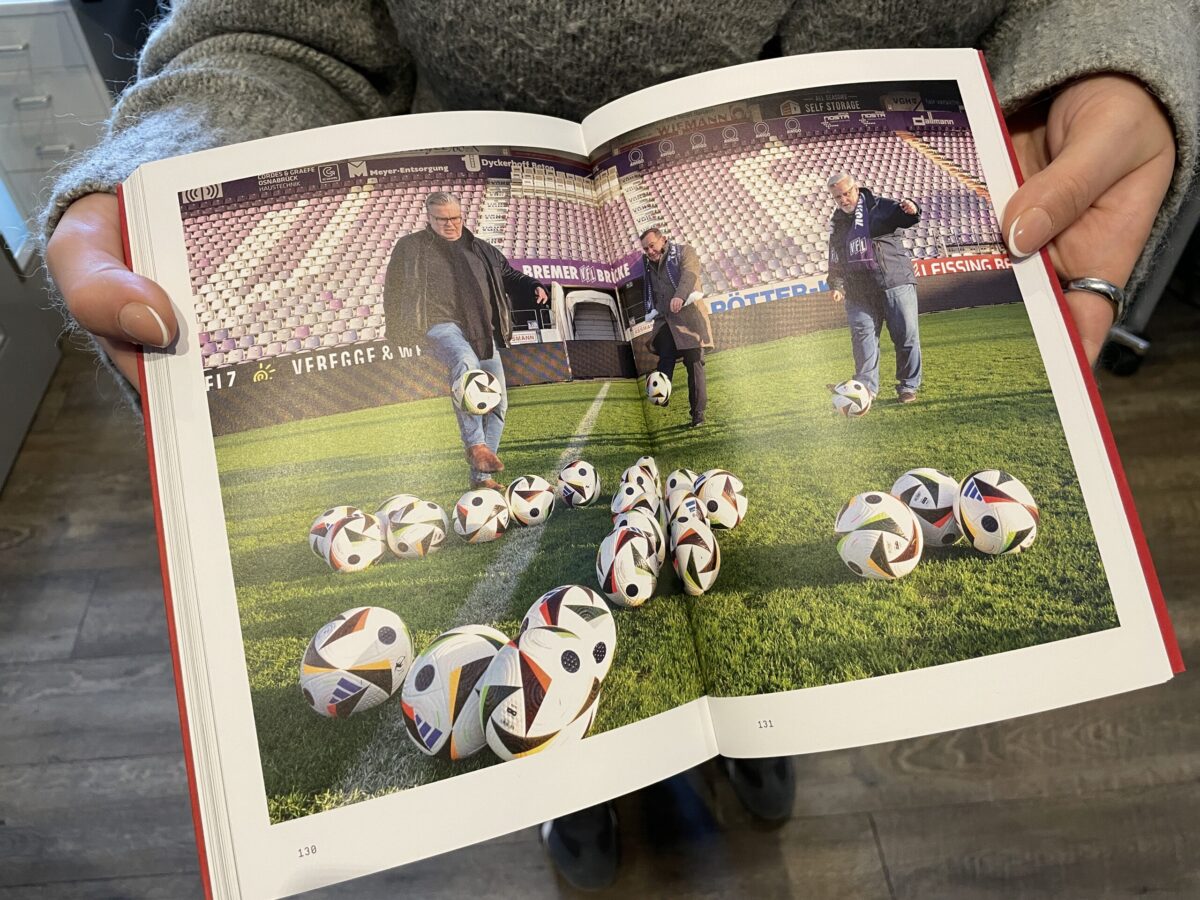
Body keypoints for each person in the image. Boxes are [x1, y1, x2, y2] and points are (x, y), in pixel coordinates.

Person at [36, 0, 1195, 893]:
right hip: (521, 226)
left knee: (712, 527)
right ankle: (570, 769)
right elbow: (270, 31)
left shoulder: (644, 257)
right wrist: (170, 183)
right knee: (533, 461)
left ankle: (751, 727)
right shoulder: (457, 248)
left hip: (795, 272)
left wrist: (1116, 47)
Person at [382, 191, 547, 490]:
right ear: (429, 218)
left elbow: (508, 275)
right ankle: (475, 445)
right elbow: (393, 288)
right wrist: (396, 330)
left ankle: (481, 479)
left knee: (498, 404)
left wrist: (533, 284)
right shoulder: (411, 247)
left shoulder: (481, 248)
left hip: (481, 330)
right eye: (442, 219)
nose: (450, 224)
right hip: (440, 325)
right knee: (465, 362)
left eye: (455, 217)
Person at [826, 174, 923, 403]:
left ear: (856, 188)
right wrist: (836, 284)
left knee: (906, 337)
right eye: (838, 197)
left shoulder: (880, 207)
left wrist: (912, 208)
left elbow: (906, 216)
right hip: (859, 292)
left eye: (846, 193)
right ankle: (865, 390)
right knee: (863, 341)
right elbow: (836, 257)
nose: (843, 199)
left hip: (894, 282)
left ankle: (908, 386)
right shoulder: (837, 223)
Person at [641, 227, 713, 427]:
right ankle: (662, 393)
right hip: (666, 320)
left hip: (690, 319)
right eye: (646, 249)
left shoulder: (684, 251)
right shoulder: (647, 266)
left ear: (663, 240)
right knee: (665, 355)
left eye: (652, 246)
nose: (650, 252)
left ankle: (697, 414)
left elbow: (690, 274)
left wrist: (680, 296)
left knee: (694, 363)